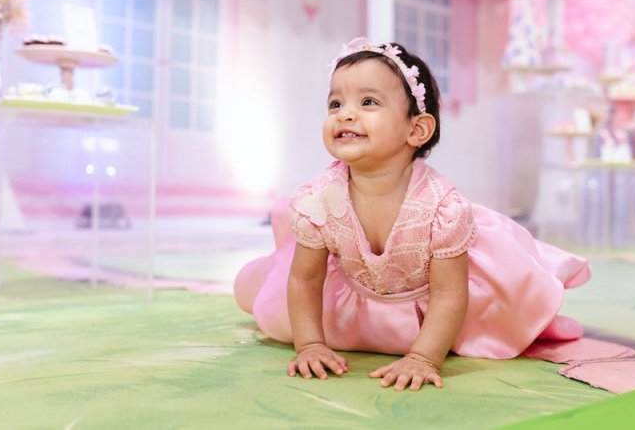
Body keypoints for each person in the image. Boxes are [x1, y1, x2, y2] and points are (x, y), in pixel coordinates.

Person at [234, 37, 590, 391]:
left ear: (416, 129)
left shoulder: (442, 209)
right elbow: (306, 280)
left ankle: (540, 319)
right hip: (355, 294)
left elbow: (449, 293)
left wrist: (424, 357)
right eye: (335, 103)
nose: (345, 114)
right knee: (274, 302)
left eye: (368, 102)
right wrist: (311, 344)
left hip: (438, 302)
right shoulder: (319, 200)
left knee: (506, 318)